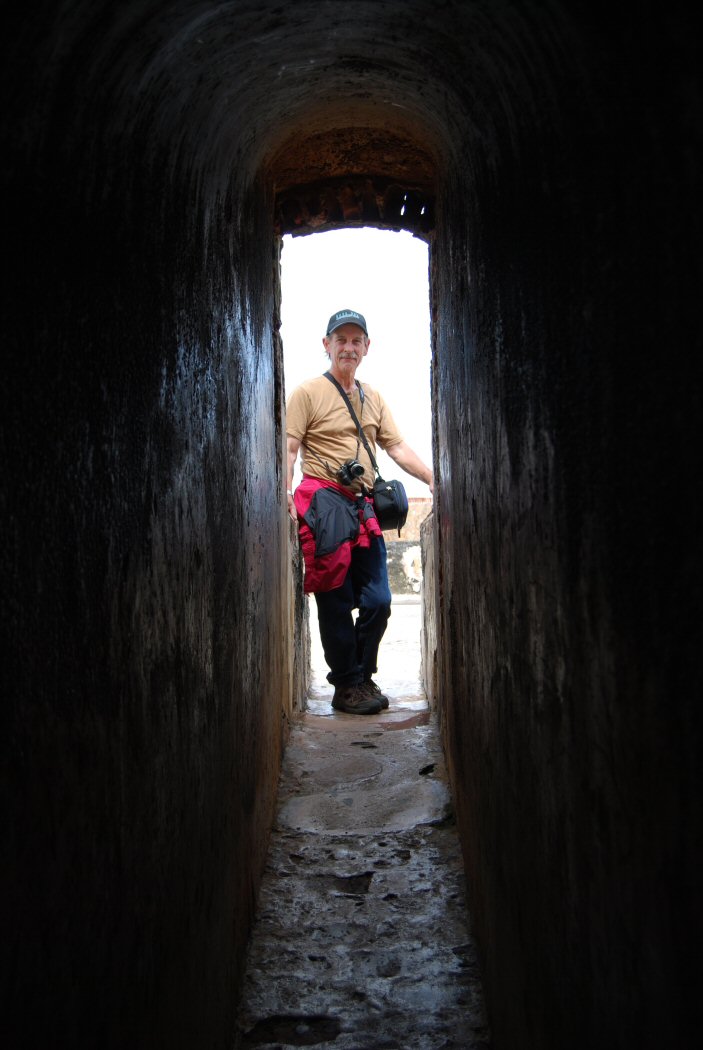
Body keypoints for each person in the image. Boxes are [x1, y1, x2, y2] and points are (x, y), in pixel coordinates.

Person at [285, 308, 434, 715]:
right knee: (334, 597)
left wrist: (435, 479)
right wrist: (283, 491)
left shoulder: (373, 398)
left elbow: (397, 448)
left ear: (366, 347)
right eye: (341, 339)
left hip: (362, 504)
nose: (348, 347)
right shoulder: (308, 392)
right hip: (324, 502)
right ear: (327, 345)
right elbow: (290, 447)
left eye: (356, 340)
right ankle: (347, 685)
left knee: (378, 599)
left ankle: (363, 675)